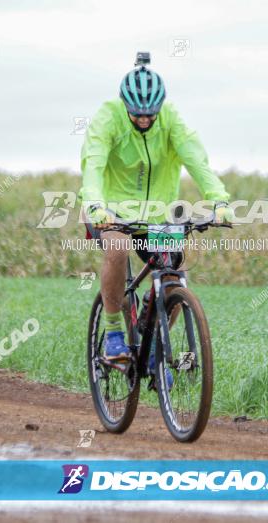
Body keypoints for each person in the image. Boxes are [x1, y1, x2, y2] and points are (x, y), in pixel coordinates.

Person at [80, 52, 233, 364]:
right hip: (110, 210)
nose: (145, 119)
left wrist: (219, 199)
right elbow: (93, 165)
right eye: (137, 114)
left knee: (173, 279)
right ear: (125, 105)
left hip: (156, 217)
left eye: (151, 113)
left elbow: (197, 162)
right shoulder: (107, 118)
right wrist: (96, 205)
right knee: (118, 248)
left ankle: (153, 343)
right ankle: (112, 334)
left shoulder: (172, 120)